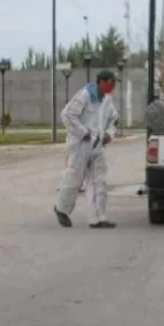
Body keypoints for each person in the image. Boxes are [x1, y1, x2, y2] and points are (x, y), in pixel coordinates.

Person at [54, 70, 119, 229]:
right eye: (110, 83)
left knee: (99, 181)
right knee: (74, 177)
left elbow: (114, 120)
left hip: (97, 145)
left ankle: (98, 218)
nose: (112, 87)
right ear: (101, 82)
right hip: (80, 144)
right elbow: (67, 115)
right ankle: (62, 209)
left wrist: (109, 134)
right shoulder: (84, 95)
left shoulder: (107, 100)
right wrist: (83, 132)